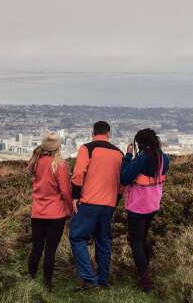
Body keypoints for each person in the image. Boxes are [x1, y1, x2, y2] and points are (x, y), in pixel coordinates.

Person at [69, 121, 124, 289]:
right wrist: (115, 201)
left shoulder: (87, 148)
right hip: (108, 204)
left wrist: (75, 196)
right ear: (109, 133)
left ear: (92, 132)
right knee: (103, 241)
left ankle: (89, 279)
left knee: (77, 237)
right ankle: (103, 281)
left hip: (88, 202)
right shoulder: (119, 153)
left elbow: (78, 174)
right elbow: (122, 183)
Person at [120, 128, 170, 292]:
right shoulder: (164, 158)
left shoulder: (141, 158)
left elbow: (125, 178)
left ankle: (145, 280)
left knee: (136, 242)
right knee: (142, 238)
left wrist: (128, 156)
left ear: (140, 143)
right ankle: (145, 271)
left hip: (137, 207)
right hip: (153, 205)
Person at [27, 132, 72, 291]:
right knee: (50, 249)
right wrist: (71, 208)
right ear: (58, 147)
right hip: (56, 214)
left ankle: (30, 277)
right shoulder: (59, 164)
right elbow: (66, 191)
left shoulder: (35, 162)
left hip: (37, 212)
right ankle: (47, 283)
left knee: (36, 246)